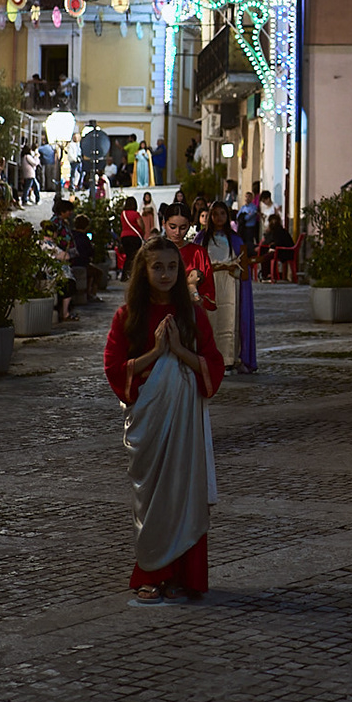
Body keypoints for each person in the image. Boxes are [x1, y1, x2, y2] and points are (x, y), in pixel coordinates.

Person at [103, 238, 224, 604]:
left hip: (185, 422)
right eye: (158, 267)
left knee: (183, 492)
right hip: (149, 422)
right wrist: (156, 352)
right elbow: (113, 368)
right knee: (152, 499)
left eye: (173, 267)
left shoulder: (193, 314)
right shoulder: (127, 316)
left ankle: (183, 577)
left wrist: (181, 352)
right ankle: (153, 572)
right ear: (144, 271)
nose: (166, 274)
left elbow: (214, 365)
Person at [200, 203, 255, 374]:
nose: (219, 217)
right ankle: (209, 357)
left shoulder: (235, 239)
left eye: (222, 213)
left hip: (231, 284)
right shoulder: (202, 238)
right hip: (210, 284)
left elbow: (243, 263)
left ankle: (228, 358)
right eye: (215, 214)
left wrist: (235, 269)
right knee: (210, 320)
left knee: (229, 320)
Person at [117, 197, 144, 279]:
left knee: (128, 256)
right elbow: (141, 225)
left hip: (124, 236)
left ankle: (124, 275)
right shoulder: (136, 214)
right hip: (134, 236)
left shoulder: (123, 214)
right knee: (135, 256)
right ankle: (134, 275)